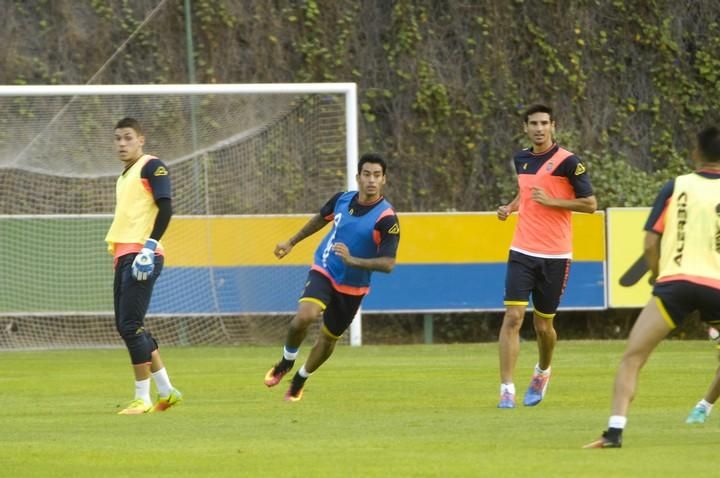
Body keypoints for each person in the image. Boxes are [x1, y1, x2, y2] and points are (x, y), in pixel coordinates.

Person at [585, 126, 720, 448]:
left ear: (695, 153)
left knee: (633, 358)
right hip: (717, 285)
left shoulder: (677, 186)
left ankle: (614, 432)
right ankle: (704, 406)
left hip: (675, 283)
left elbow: (649, 243)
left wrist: (658, 274)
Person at [263, 153, 400, 401]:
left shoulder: (387, 219)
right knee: (304, 316)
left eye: (377, 175)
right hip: (325, 268)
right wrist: (291, 242)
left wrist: (353, 260)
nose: (371, 180)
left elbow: (388, 263)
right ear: (358, 177)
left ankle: (300, 379)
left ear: (384, 180)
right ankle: (286, 361)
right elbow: (320, 220)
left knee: (327, 340)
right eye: (367, 174)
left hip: (354, 287)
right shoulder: (341, 200)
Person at [496, 104, 596, 408]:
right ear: (525, 127)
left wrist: (552, 201)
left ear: (553, 125)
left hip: (555, 255)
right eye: (533, 124)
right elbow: (527, 192)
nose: (538, 128)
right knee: (513, 317)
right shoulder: (521, 159)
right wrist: (511, 207)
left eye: (544, 123)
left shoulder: (569, 162)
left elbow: (590, 204)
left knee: (543, 327)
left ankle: (542, 371)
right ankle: (507, 389)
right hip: (522, 249)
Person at [105, 117, 182, 415]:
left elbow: (167, 206)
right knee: (128, 326)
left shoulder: (152, 165)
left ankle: (142, 398)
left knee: (129, 325)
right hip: (125, 255)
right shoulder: (124, 176)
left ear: (141, 139)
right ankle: (167, 391)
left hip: (142, 254)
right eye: (117, 139)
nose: (122, 143)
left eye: (127, 137)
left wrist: (149, 247)